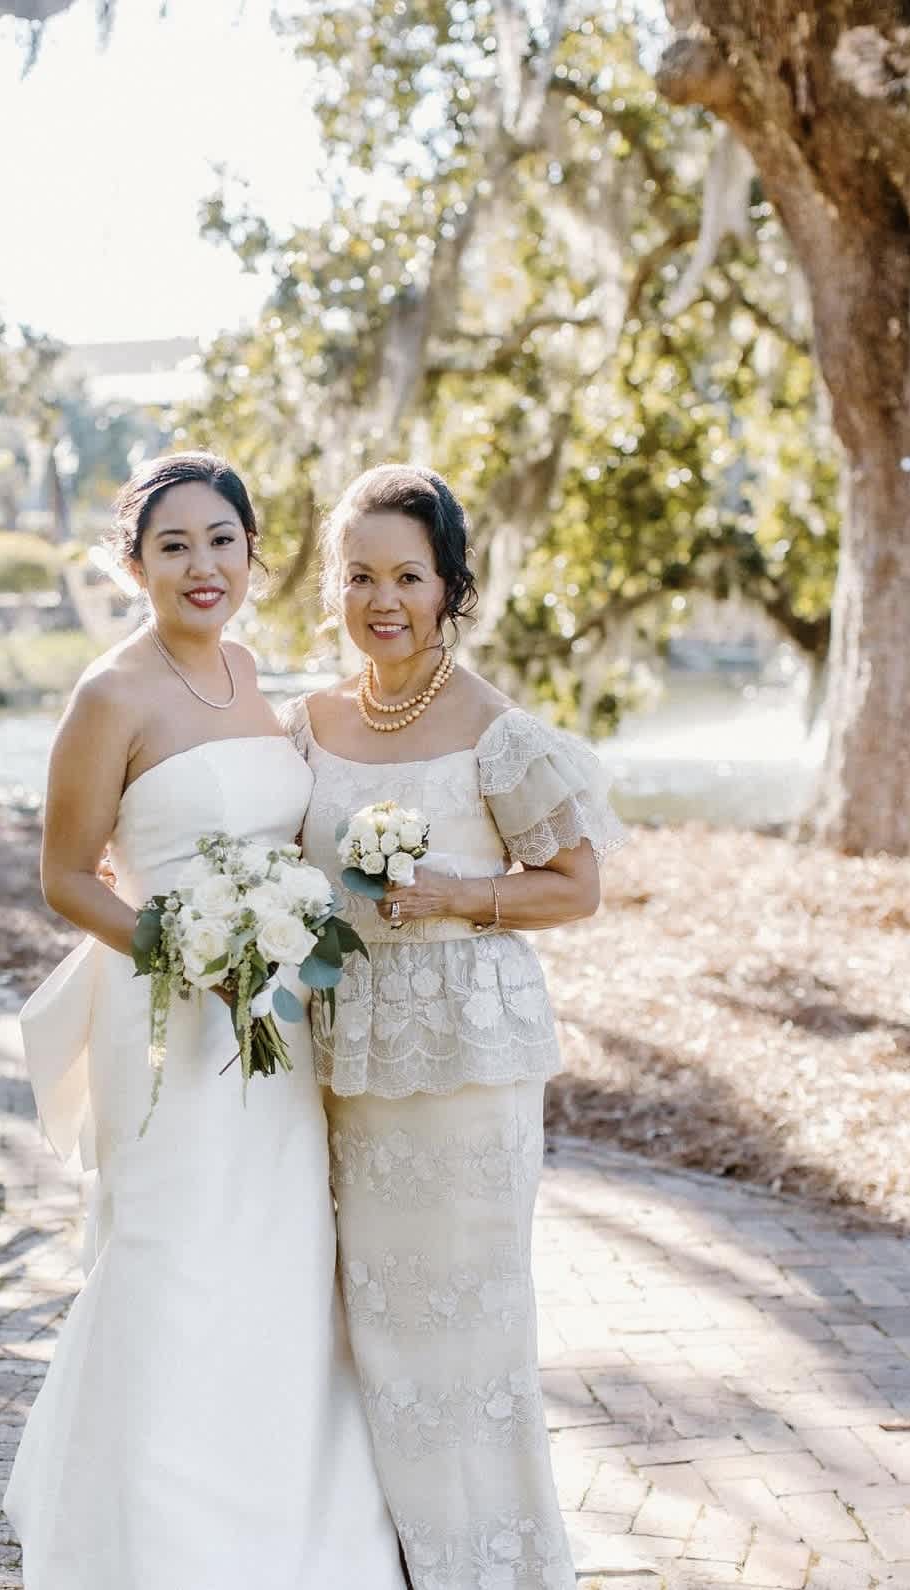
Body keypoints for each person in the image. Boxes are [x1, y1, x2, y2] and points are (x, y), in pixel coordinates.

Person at [2, 452, 404, 1590]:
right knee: (172, 1249)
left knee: (276, 1249)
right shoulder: (109, 696)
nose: (202, 565)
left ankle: (281, 1520)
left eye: (222, 540)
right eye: (173, 546)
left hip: (276, 1016)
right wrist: (183, 953)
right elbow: (65, 878)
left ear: (252, 554)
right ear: (134, 565)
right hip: (166, 1018)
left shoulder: (250, 673)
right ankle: (149, 1538)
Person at [280, 463, 627, 1590]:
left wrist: (456, 896)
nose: (383, 600)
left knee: (470, 1324)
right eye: (360, 576)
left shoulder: (497, 731)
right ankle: (384, 1558)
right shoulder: (307, 727)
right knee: (370, 1315)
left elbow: (574, 886)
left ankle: (494, 1564)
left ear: (450, 587)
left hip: (469, 1061)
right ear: (335, 587)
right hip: (349, 1059)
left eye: (409, 577)